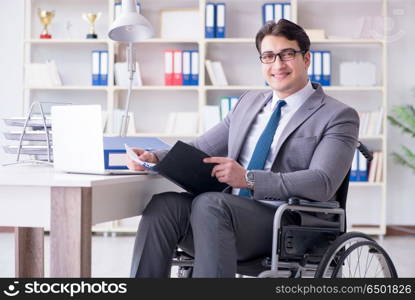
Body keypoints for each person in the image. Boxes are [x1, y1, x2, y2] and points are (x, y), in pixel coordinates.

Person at [127, 19, 359, 278]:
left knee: (210, 203)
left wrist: (248, 179)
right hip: (226, 216)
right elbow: (201, 148)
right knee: (164, 204)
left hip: (287, 222)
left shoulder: (338, 115)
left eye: (287, 55)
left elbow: (322, 182)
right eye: (269, 57)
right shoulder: (248, 102)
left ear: (306, 59)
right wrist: (154, 157)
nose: (278, 65)